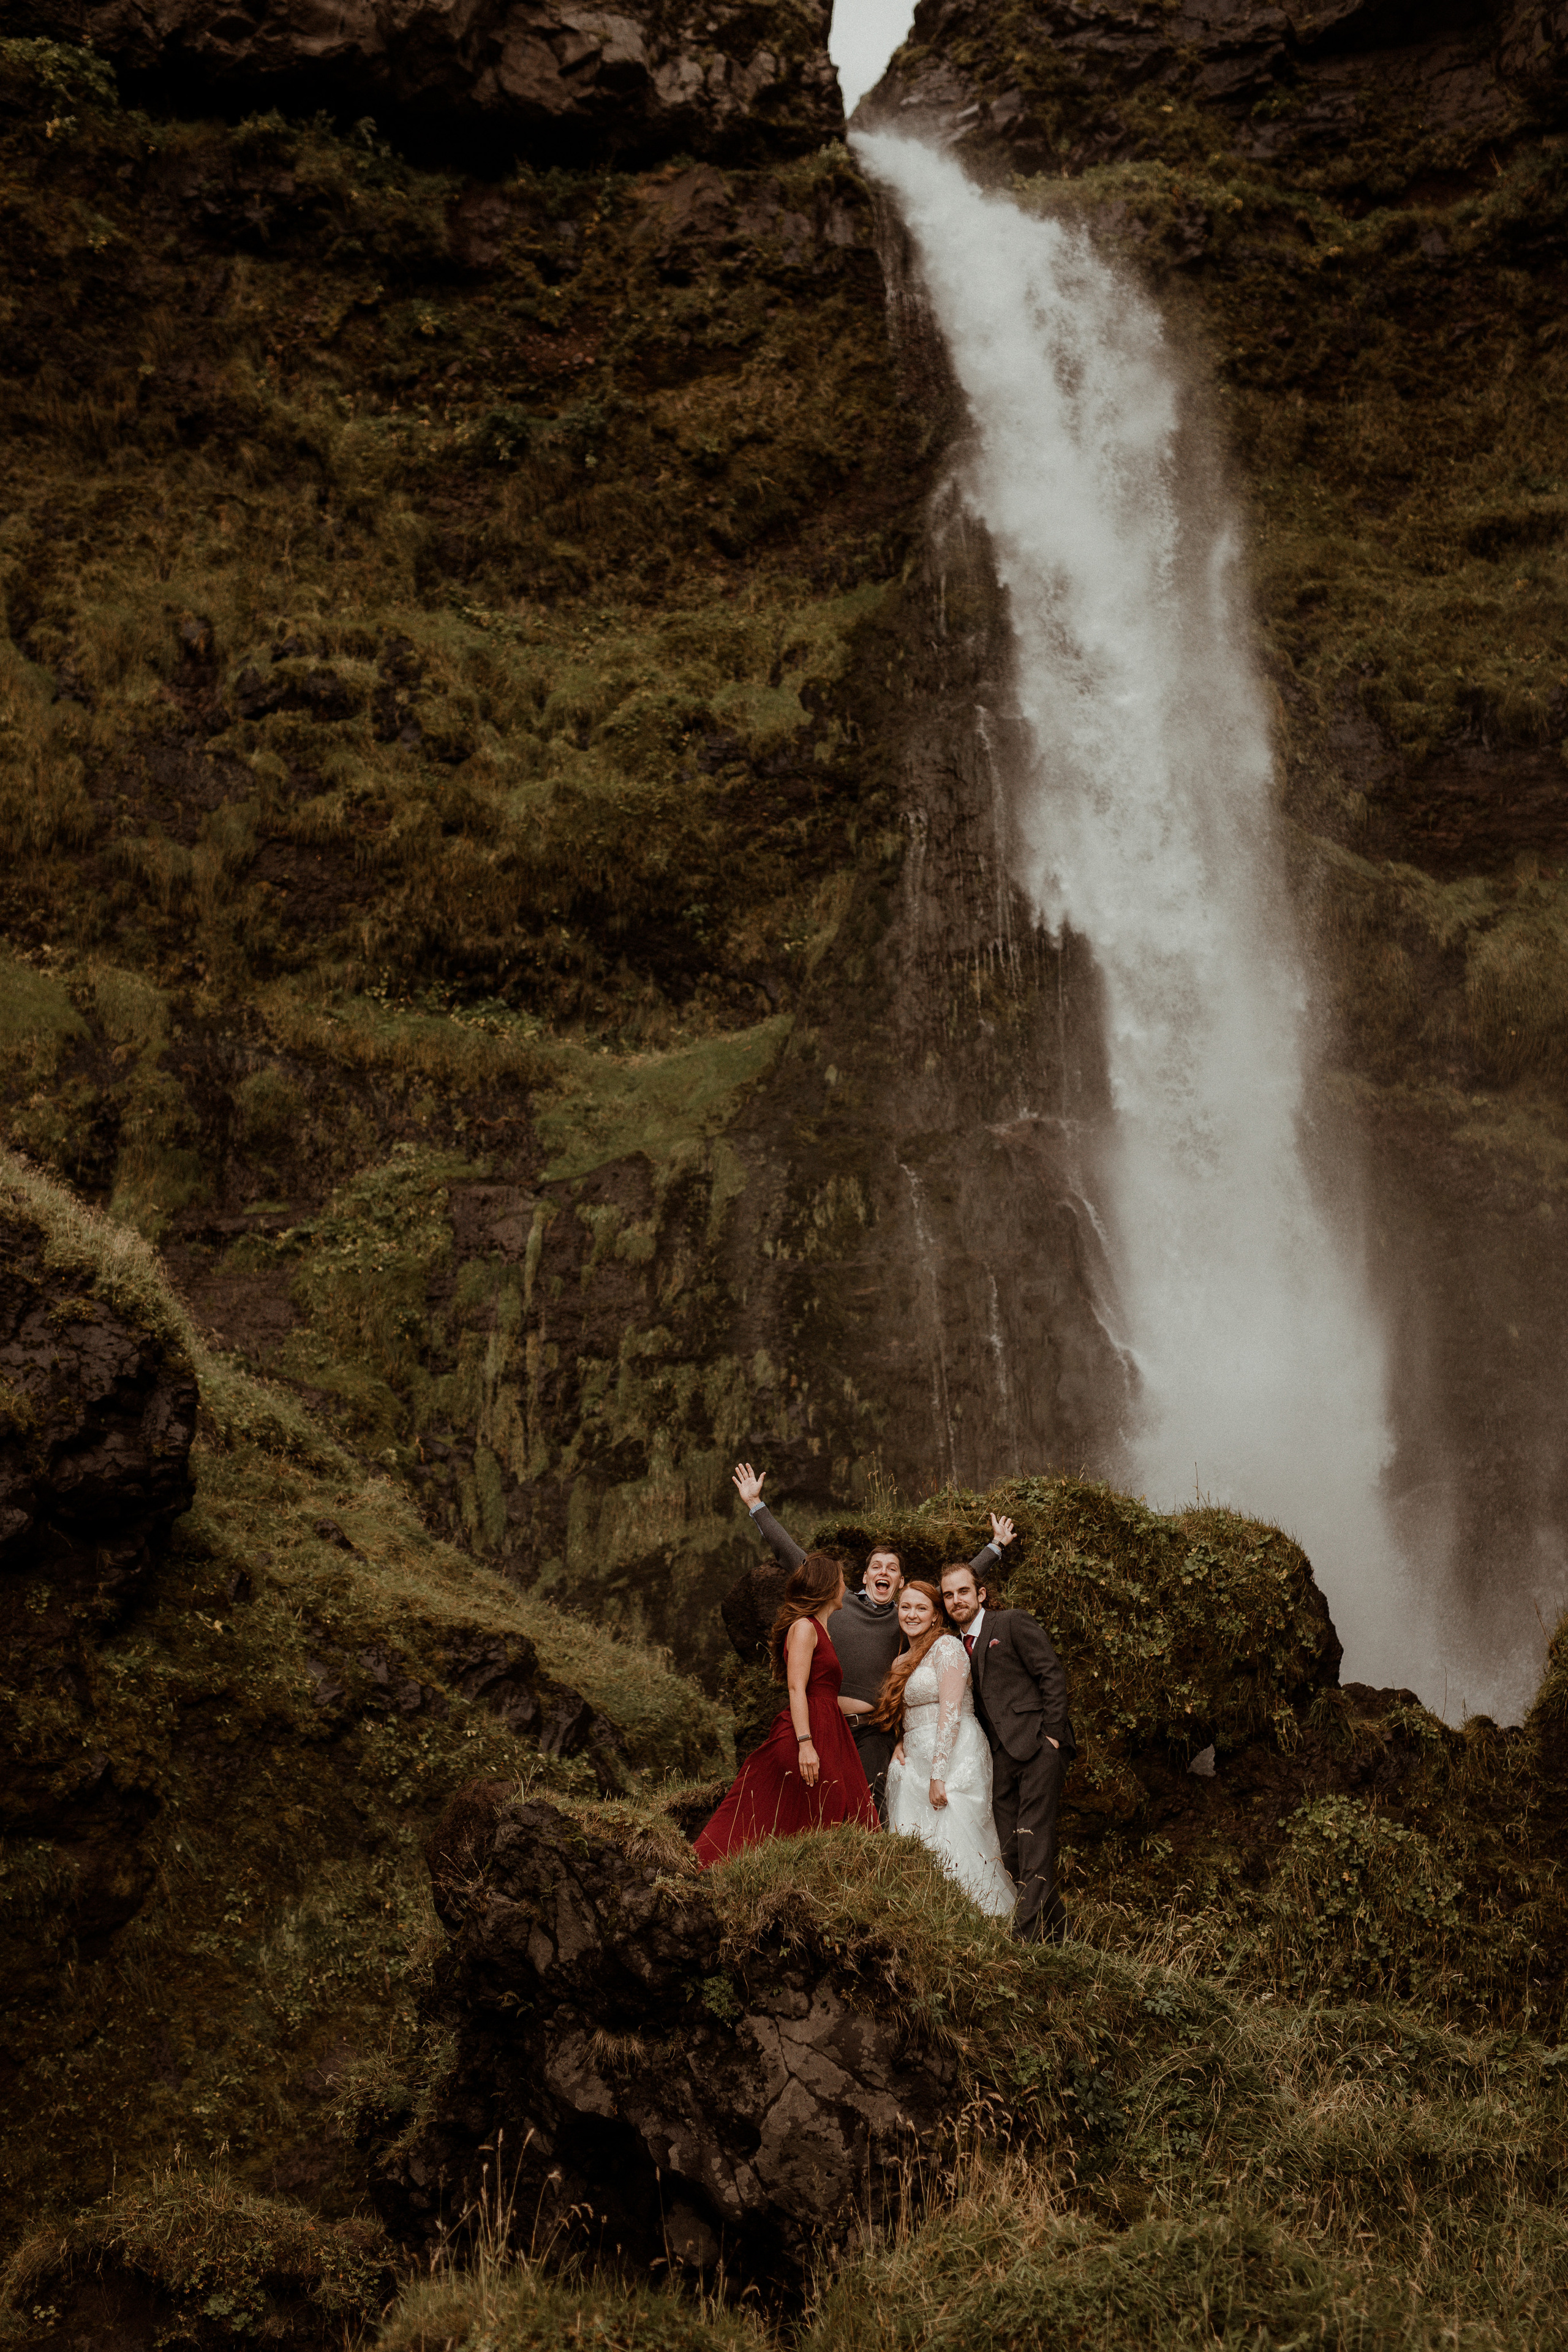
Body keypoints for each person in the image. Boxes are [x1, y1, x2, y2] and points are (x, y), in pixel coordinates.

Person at [731, 1461, 905, 1820]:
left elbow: (955, 1593)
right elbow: (792, 1556)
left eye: (892, 1568)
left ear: (902, 1582)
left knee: (872, 1811)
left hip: (874, 1732)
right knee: (822, 1810)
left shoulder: (907, 1617)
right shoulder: (837, 1605)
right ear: (863, 1576)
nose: (883, 1572)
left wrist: (995, 1547)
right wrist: (755, 1505)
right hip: (828, 1727)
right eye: (877, 1566)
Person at [693, 1549, 878, 1865]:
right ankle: (709, 1861)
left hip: (829, 1726)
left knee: (838, 1807)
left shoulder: (823, 1630)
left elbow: (825, 1692)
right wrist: (805, 1744)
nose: (845, 1587)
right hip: (810, 1731)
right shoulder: (805, 1627)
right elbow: (797, 1688)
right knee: (818, 1806)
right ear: (828, 1585)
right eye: (842, 1580)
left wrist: (873, 1707)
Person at [940, 1537, 1076, 1943]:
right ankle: (1064, 1936)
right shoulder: (951, 1643)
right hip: (999, 1757)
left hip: (1036, 1747)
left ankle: (1026, 1940)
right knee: (1011, 1851)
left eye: (964, 1591)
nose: (956, 1600)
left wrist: (1051, 1736)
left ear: (980, 1593)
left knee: (1034, 1841)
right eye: (948, 1595)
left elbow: (1051, 1675)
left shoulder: (1010, 1622)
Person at [876, 1581, 1016, 1917]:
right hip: (916, 1757)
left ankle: (982, 1918)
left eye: (921, 1608)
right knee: (920, 1838)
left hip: (954, 1753)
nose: (912, 1614)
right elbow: (908, 1711)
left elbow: (950, 1711)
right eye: (905, 1607)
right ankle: (930, 1916)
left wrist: (938, 1775)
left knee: (957, 1836)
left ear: (936, 1615)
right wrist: (901, 1741)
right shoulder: (901, 1661)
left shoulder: (947, 1648)